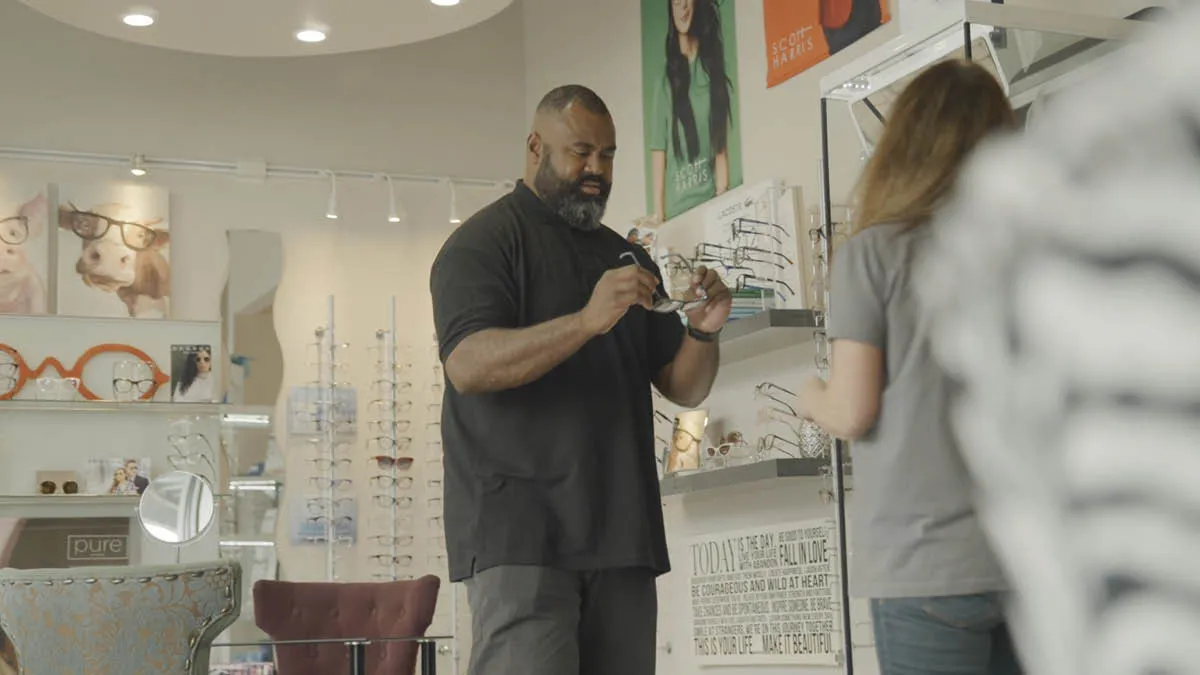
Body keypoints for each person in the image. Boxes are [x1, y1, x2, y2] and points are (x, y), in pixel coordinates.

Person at [430, 84, 732, 675]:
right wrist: (588, 321)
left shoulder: (629, 259)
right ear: (536, 147)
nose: (596, 170)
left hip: (622, 536)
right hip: (520, 537)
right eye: (581, 152)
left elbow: (685, 387)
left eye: (609, 155)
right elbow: (467, 365)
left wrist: (703, 330)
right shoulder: (481, 244)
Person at [796, 60, 1021, 675]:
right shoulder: (1023, 254)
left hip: (923, 568)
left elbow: (852, 409)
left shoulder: (874, 254)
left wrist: (808, 395)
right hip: (1023, 559)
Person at [648, 0, 735, 222]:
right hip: (677, 214)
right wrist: (660, 217)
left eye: (688, 1)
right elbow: (659, 151)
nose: (683, 8)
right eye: (677, 2)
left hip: (710, 206)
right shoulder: (665, 82)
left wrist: (723, 204)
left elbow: (720, 149)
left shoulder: (712, 73)